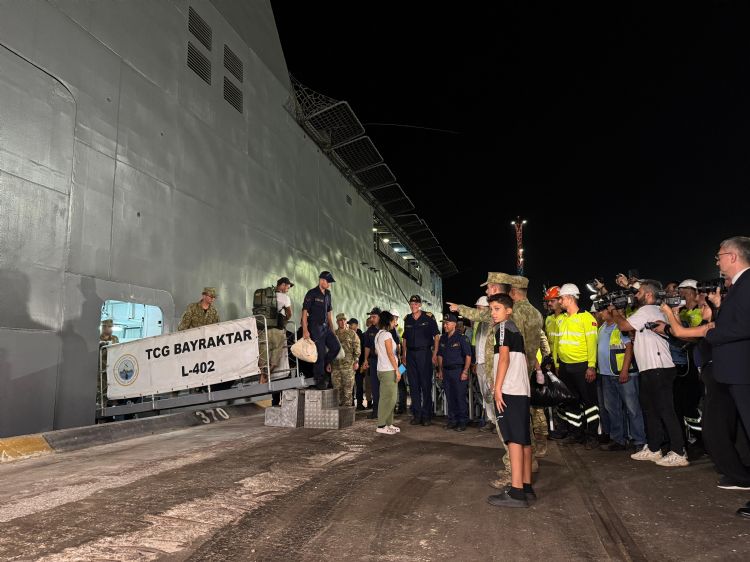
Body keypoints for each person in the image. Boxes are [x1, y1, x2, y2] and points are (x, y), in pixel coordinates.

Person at [611, 279, 689, 467]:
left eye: (639, 293)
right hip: (651, 369)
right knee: (651, 410)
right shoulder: (653, 311)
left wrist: (615, 311)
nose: (635, 296)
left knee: (665, 411)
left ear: (648, 295)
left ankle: (679, 452)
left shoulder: (647, 310)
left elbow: (623, 326)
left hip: (658, 369)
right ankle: (654, 448)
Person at [705, 236, 750, 518]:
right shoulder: (738, 287)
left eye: (719, 255)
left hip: (744, 371)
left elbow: (743, 326)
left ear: (733, 256)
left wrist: (712, 333)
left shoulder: (747, 284)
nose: (718, 261)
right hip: (735, 372)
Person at [486, 293, 534, 508]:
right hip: (521, 389)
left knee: (513, 439)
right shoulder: (515, 328)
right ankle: (525, 485)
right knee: (523, 438)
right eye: (492, 309)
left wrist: (497, 388)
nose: (493, 313)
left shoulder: (504, 328)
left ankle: (516, 493)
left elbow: (504, 358)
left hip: (510, 389)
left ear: (508, 310)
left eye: (497, 308)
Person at [554, 283, 600, 449]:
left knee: (589, 402)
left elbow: (592, 344)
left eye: (561, 298)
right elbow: (558, 344)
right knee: (571, 401)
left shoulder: (587, 318)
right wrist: (558, 363)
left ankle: (592, 436)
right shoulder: (561, 319)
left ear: (570, 298)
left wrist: (591, 366)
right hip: (566, 367)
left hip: (582, 366)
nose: (559, 301)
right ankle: (576, 433)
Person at [597, 307, 646, 452]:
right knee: (613, 409)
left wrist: (624, 370)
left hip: (624, 374)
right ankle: (619, 439)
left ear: (611, 311)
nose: (600, 313)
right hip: (607, 374)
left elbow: (629, 348)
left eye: (603, 310)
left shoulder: (621, 326)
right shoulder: (602, 328)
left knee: (633, 409)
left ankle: (640, 441)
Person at [401, 295, 440, 426]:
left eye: (416, 304)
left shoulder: (428, 317)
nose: (413, 306)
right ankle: (417, 415)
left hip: (425, 353)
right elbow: (404, 338)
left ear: (420, 305)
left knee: (425, 385)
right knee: (413, 385)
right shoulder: (407, 319)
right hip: (411, 355)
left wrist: (434, 353)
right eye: (411, 304)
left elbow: (436, 336)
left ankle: (427, 415)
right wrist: (404, 354)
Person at [301, 271, 341, 390]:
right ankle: (319, 379)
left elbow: (329, 313)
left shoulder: (328, 294)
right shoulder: (312, 293)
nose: (329, 284)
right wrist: (305, 330)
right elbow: (304, 313)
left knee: (336, 347)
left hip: (325, 327)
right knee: (320, 352)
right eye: (328, 282)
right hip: (315, 326)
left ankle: (322, 367)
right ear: (322, 280)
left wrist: (332, 329)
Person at [437, 312, 472, 431]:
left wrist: (465, 371)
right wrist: (440, 370)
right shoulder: (443, 338)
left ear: (454, 324)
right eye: (444, 324)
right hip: (446, 372)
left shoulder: (462, 338)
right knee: (450, 397)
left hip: (458, 371)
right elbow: (440, 355)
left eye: (447, 323)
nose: (445, 326)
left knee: (459, 397)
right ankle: (452, 420)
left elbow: (468, 356)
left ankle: (462, 421)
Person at [374, 311, 401, 434]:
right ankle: (381, 425)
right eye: (392, 320)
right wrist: (397, 370)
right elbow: (390, 354)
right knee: (389, 398)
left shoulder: (379, 334)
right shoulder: (387, 335)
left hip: (383, 369)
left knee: (390, 397)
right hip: (389, 370)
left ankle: (389, 423)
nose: (394, 322)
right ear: (388, 321)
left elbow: (378, 352)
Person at [332, 313, 360, 407]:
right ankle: (339, 416)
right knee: (337, 392)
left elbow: (357, 348)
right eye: (340, 320)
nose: (342, 322)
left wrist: (356, 361)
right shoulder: (334, 334)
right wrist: (328, 363)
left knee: (348, 392)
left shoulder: (352, 333)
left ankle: (347, 417)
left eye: (344, 320)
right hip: (336, 367)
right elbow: (329, 350)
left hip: (348, 367)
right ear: (337, 322)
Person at [362, 307, 382, 418]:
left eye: (374, 317)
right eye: (371, 317)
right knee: (374, 386)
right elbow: (367, 346)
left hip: (384, 362)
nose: (372, 319)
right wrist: (365, 360)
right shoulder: (370, 330)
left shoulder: (387, 328)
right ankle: (376, 410)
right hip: (373, 361)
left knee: (384, 386)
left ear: (379, 317)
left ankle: (386, 410)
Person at [98, 319, 119, 407]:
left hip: (111, 367)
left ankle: (113, 406)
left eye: (111, 327)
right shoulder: (97, 338)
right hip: (100, 368)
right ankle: (101, 405)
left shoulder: (114, 338)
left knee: (113, 386)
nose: (111, 329)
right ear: (103, 327)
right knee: (100, 388)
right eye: (109, 327)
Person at [348, 318, 366, 409]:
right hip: (350, 364)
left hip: (359, 364)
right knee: (350, 385)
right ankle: (351, 402)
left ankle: (359, 403)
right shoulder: (348, 334)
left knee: (359, 385)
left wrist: (363, 363)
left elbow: (363, 350)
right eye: (349, 324)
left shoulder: (361, 335)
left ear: (356, 325)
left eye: (351, 324)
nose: (350, 326)